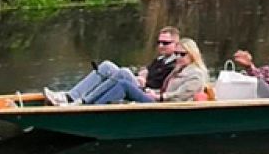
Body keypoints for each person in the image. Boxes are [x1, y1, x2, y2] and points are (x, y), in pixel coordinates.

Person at [43, 26, 181, 106]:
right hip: (141, 84)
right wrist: (143, 75)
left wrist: (147, 86)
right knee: (106, 66)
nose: (161, 46)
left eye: (165, 43)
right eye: (159, 42)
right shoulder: (161, 58)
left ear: (176, 43)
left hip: (148, 92)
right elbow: (146, 69)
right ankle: (70, 97)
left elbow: (168, 85)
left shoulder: (177, 62)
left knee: (123, 73)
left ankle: (83, 101)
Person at [85, 37, 209, 105]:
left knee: (124, 84)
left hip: (164, 106)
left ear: (192, 54)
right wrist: (153, 91)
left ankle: (94, 107)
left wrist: (158, 96)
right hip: (159, 99)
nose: (177, 57)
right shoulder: (179, 69)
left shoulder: (195, 74)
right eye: (176, 54)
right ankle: (90, 103)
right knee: (120, 79)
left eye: (182, 54)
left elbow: (181, 95)